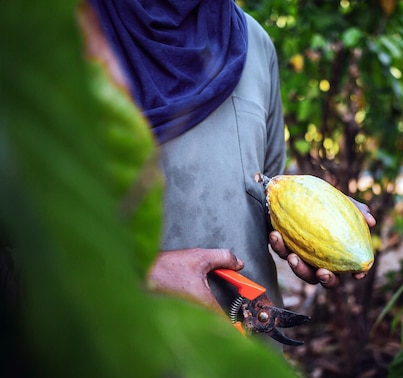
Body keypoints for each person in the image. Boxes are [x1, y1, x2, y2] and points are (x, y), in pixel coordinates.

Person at [82, 0, 376, 335]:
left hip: (250, 359)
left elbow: (263, 192)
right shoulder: (51, 43)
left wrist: (321, 218)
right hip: (116, 360)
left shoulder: (252, 40)